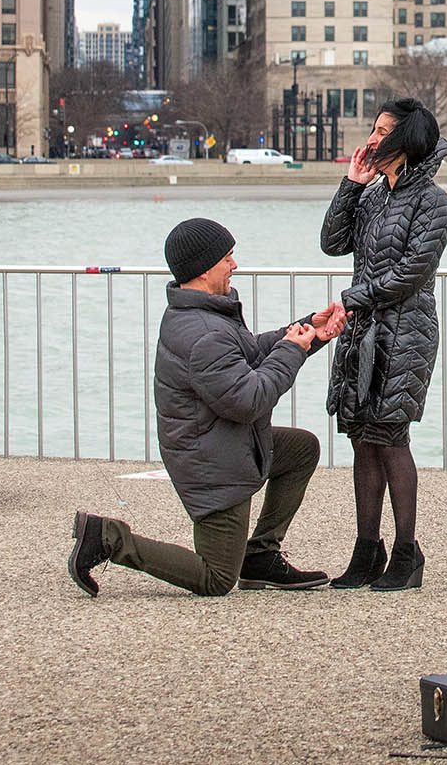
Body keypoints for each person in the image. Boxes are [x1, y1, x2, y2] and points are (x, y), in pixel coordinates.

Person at [68, 217, 346, 597]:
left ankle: (260, 555)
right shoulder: (204, 332)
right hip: (212, 464)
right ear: (203, 268)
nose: (235, 265)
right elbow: (249, 400)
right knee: (215, 579)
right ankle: (107, 538)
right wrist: (291, 351)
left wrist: (307, 331)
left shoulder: (202, 314)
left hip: (219, 444)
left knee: (301, 449)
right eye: (228, 258)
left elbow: (247, 355)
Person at [320, 98, 447, 591]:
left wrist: (353, 298)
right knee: (361, 436)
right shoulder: (374, 195)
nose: (371, 139)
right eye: (372, 130)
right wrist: (351, 186)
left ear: (405, 141)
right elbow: (333, 243)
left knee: (390, 436)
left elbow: (412, 274)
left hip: (407, 330)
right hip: (363, 330)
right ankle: (365, 551)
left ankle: (406, 553)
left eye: (381, 132)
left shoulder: (433, 201)